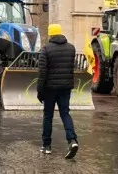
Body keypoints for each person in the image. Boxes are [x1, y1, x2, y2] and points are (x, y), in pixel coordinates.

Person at [37, 23, 79, 159]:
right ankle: (72, 141)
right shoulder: (71, 49)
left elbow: (42, 73)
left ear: (50, 34)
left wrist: (40, 91)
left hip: (50, 89)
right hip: (66, 88)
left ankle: (46, 146)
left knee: (48, 116)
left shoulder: (45, 50)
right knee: (65, 114)